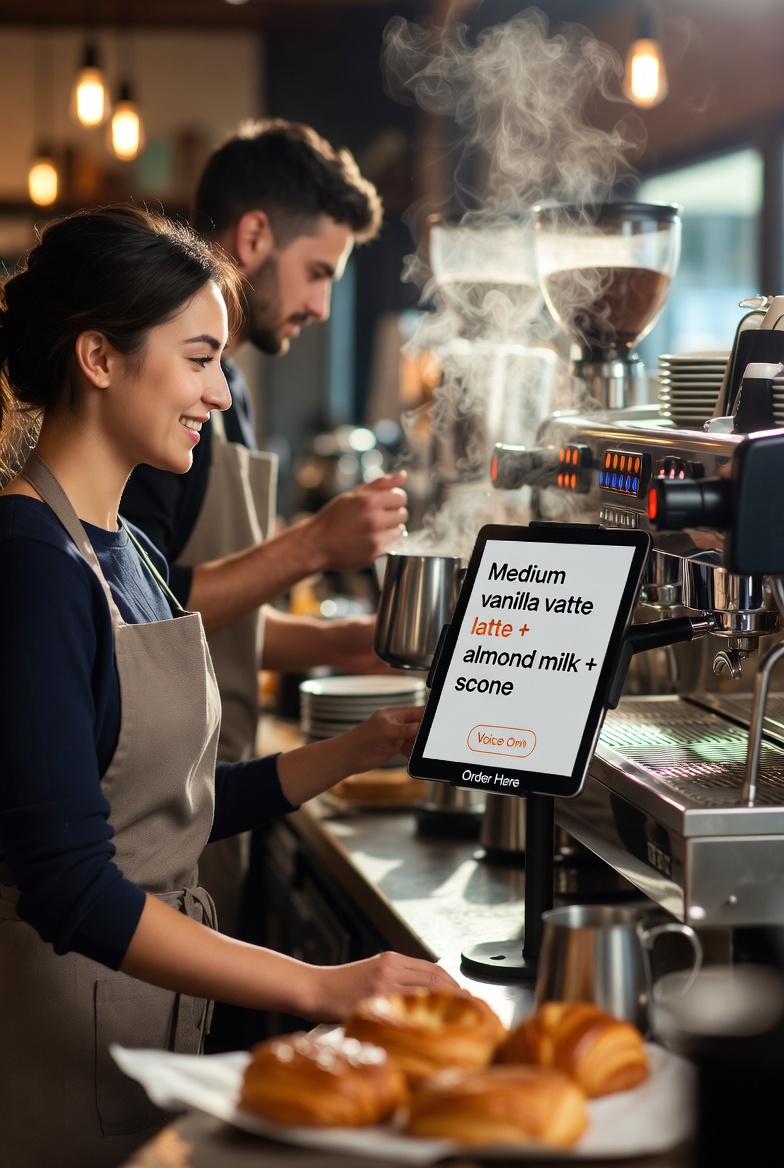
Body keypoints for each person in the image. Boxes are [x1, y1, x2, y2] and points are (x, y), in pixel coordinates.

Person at [0, 205, 457, 1168]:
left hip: (145, 1036)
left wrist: (363, 746)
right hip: (54, 1054)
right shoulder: (31, 565)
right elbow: (71, 885)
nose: (219, 391)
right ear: (98, 358)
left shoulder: (131, 550)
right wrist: (326, 988)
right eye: (200, 357)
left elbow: (171, 810)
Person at [121, 119, 408, 935]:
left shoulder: (229, 396)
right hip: (158, 803)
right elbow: (149, 610)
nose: (323, 304)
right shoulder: (158, 411)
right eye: (318, 271)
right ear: (254, 236)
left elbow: (206, 612)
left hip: (217, 785)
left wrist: (334, 646)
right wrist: (315, 544)